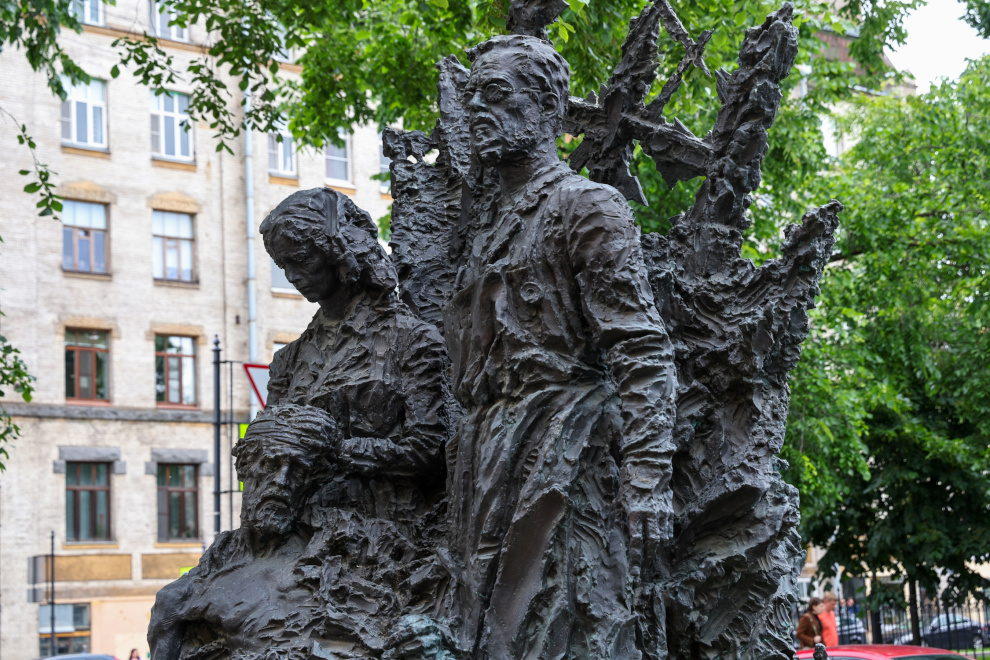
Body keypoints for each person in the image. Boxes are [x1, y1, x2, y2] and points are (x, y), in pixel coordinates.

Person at [444, 33, 677, 658]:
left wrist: (648, 476)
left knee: (553, 630)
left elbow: (641, 348)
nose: (477, 110)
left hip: (563, 449)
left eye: (496, 94)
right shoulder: (486, 230)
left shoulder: (586, 206)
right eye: (471, 98)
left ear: (548, 107)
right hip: (487, 455)